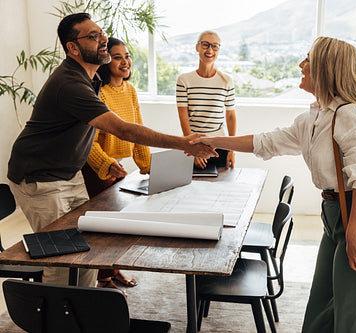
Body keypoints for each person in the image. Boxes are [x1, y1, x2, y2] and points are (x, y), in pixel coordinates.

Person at [190, 36, 356, 332]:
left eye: (308, 59)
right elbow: (267, 141)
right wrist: (213, 140)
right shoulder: (315, 117)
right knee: (323, 305)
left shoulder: (350, 114)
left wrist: (354, 233)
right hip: (336, 215)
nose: (302, 65)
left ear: (327, 68)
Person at [7, 13, 215, 288]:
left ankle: (80, 311)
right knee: (59, 259)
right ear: (72, 47)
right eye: (93, 36)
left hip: (69, 175)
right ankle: (56, 319)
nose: (103, 39)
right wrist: (185, 142)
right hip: (40, 179)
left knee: (86, 253)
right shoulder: (70, 84)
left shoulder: (90, 79)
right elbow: (124, 130)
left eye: (102, 33)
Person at [81, 37, 146, 293]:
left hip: (117, 166)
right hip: (98, 166)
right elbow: (90, 141)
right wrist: (107, 164)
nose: (125, 61)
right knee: (108, 225)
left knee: (121, 221)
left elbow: (137, 130)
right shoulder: (99, 93)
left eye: (127, 56)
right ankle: (104, 279)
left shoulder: (129, 91)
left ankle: (112, 270)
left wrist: (147, 164)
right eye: (117, 57)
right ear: (107, 62)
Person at [176, 30, 236, 170]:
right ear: (197, 47)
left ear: (218, 49)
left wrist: (232, 149)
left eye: (215, 46)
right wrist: (191, 147)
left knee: (221, 187)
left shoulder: (227, 81)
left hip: (220, 145)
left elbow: (231, 116)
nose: (210, 50)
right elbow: (183, 116)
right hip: (194, 144)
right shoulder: (184, 80)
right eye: (205, 45)